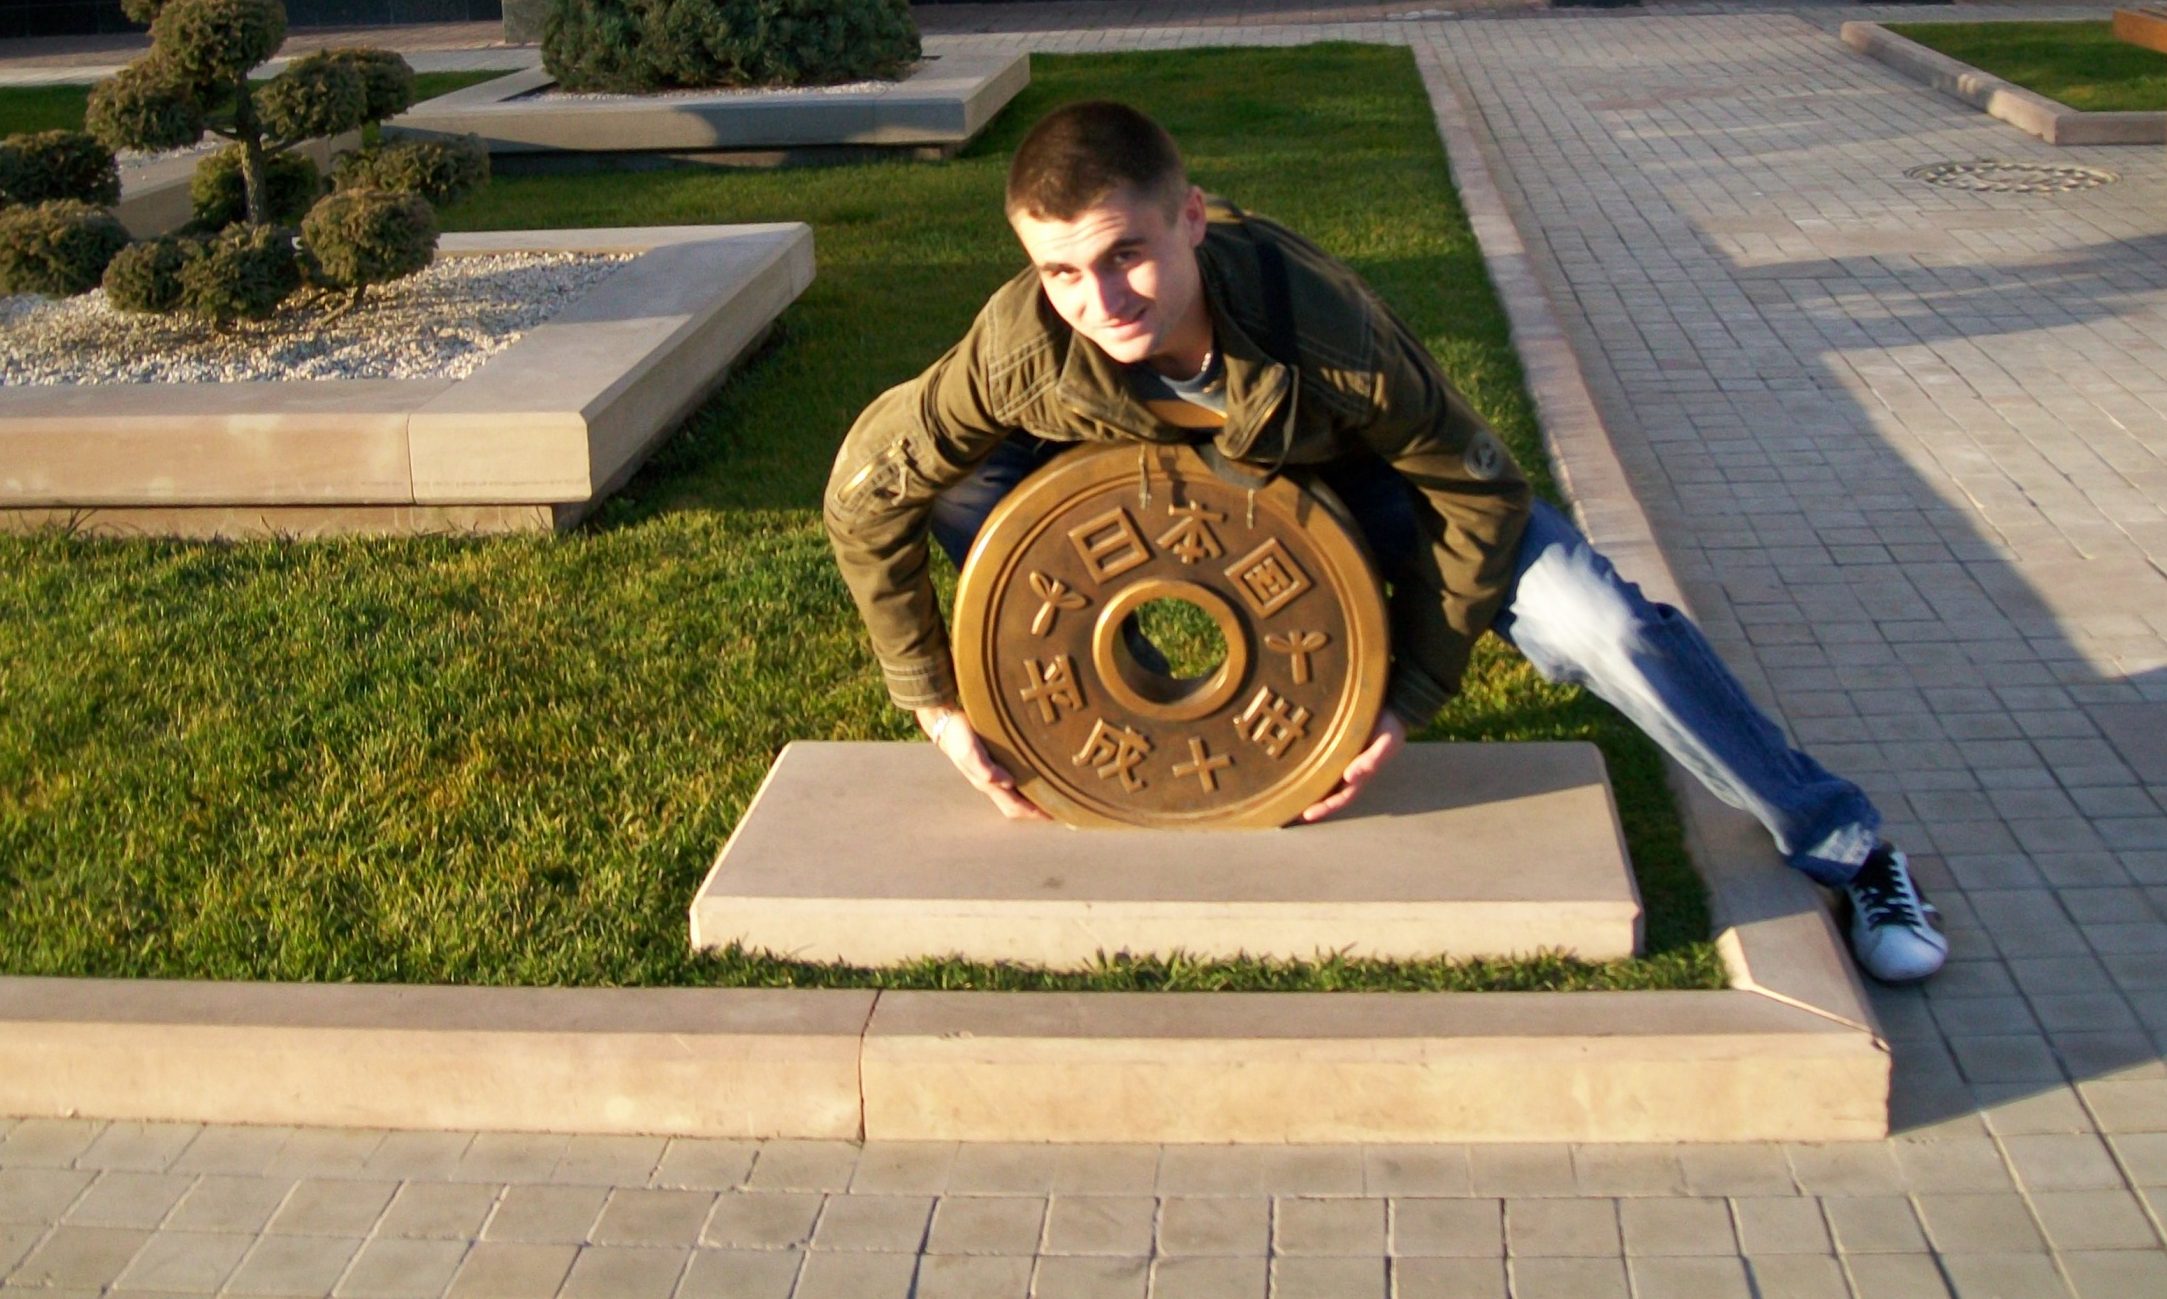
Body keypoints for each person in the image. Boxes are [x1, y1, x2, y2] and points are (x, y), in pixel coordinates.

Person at [823, 101, 1947, 985]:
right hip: (1151, 505)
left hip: (1363, 487)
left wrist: (1407, 693)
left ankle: (1848, 845)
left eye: (1126, 254)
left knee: (1601, 625)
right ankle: (1146, 716)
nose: (1101, 298)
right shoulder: (1020, 350)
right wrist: (935, 701)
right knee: (958, 486)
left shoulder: (1323, 324)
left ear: (1192, 219)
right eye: (1062, 271)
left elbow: (1473, 485)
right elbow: (862, 494)